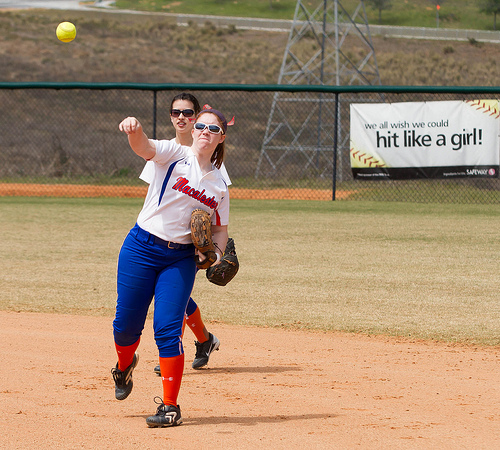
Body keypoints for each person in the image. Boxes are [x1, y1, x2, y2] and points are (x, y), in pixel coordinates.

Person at [111, 105, 231, 427]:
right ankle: (124, 366)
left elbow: (220, 230)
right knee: (125, 326)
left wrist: (216, 255)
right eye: (201, 126)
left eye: (214, 129)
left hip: (180, 259)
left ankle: (170, 407)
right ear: (193, 130)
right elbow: (144, 148)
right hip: (141, 247)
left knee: (167, 328)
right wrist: (135, 130)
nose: (205, 132)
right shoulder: (175, 154)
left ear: (221, 138)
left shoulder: (219, 184)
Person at [140, 93, 229, 373]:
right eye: (176, 112)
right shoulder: (166, 150)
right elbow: (155, 196)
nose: (181, 117)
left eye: (189, 113)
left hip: (190, 244)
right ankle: (204, 339)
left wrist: (214, 249)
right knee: (172, 296)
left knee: (173, 298)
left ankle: (171, 349)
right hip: (155, 237)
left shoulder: (209, 156)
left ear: (196, 119)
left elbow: (216, 208)